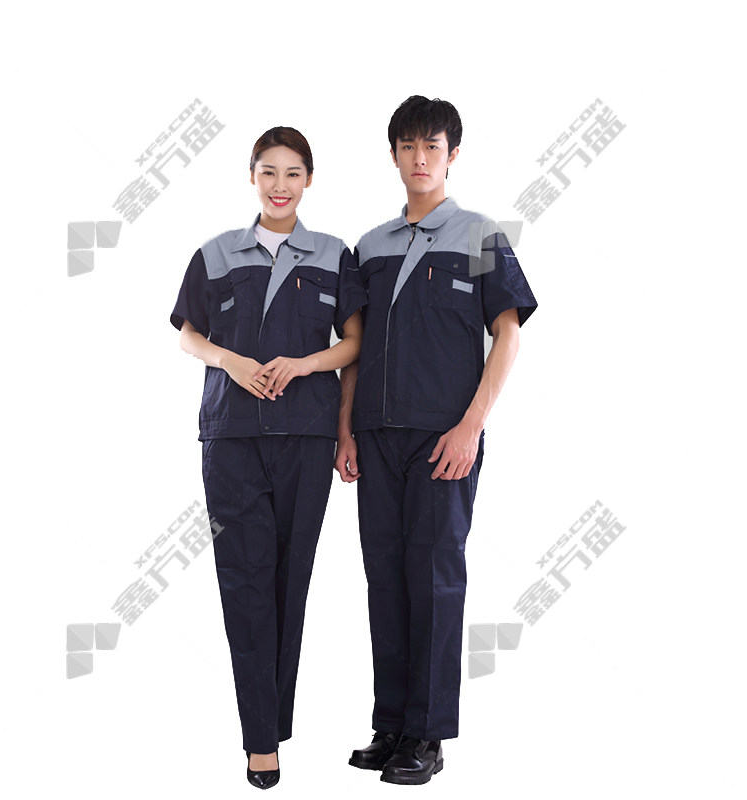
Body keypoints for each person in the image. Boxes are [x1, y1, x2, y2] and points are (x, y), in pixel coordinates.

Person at [335, 96, 539, 785]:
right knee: (385, 579)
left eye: (432, 146)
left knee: (433, 580)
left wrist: (471, 425)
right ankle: (391, 724)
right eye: (408, 147)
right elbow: (355, 346)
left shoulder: (479, 235)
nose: (420, 159)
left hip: (444, 438)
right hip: (376, 437)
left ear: (453, 155)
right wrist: (346, 429)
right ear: (393, 155)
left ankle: (427, 734)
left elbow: (507, 333)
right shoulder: (370, 246)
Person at [170, 126, 367, 790]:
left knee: (289, 579)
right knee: (244, 580)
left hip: (307, 435)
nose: (280, 186)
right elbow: (188, 335)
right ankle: (261, 741)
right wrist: (229, 360)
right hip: (231, 436)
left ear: (308, 180)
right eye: (268, 172)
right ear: (251, 176)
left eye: (292, 174)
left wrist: (305, 364)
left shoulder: (334, 254)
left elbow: (353, 342)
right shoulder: (216, 253)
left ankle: (271, 718)